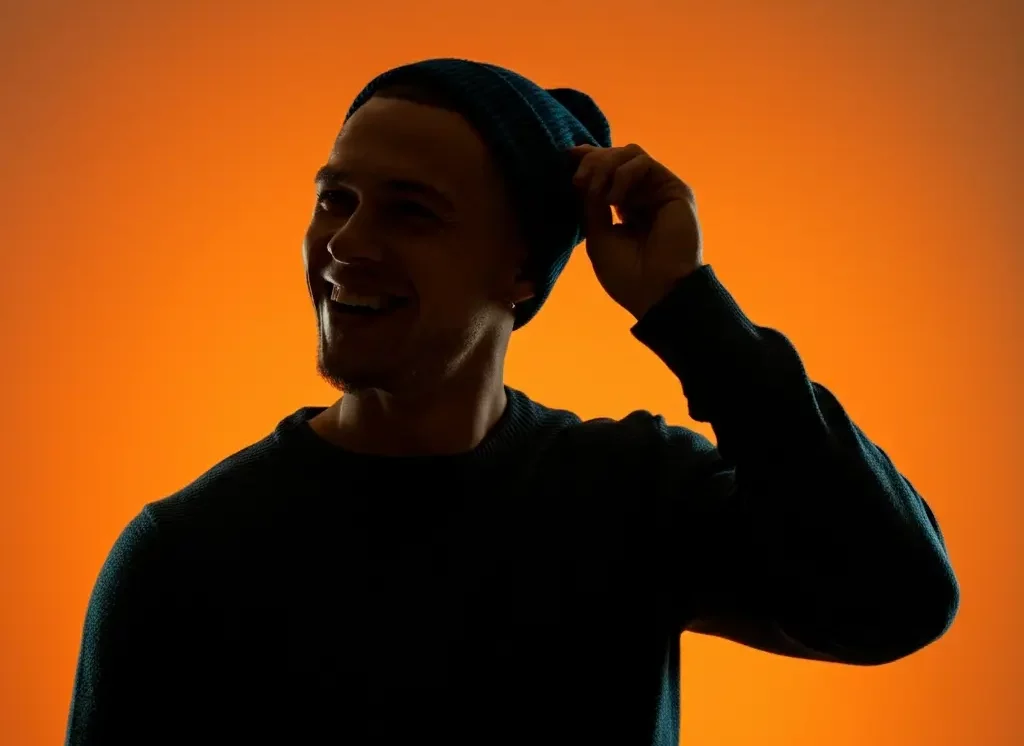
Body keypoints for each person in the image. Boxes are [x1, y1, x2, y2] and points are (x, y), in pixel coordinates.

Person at [65, 58, 960, 746]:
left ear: (521, 268)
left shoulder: (632, 498)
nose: (346, 243)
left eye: (411, 211)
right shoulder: (186, 554)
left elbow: (897, 600)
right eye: (336, 199)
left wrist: (691, 312)